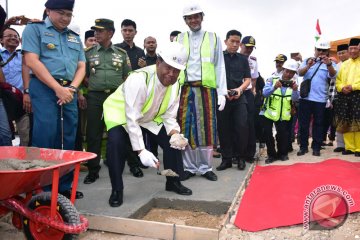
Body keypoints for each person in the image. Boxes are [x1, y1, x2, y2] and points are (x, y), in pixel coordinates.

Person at [103, 42, 192, 207]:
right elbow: (132, 118)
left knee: (172, 144)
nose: (171, 74)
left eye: (176, 70)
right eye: (168, 68)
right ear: (158, 63)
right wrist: (141, 150)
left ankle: (173, 181)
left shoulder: (177, 82)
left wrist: (174, 133)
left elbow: (170, 114)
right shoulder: (138, 79)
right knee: (116, 145)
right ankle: (117, 190)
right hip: (122, 114)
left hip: (149, 115)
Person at [22, 0, 85, 199]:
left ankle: (63, 186)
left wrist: (72, 88)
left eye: (69, 14)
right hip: (44, 88)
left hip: (69, 90)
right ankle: (42, 187)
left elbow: (81, 66)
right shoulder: (34, 29)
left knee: (68, 137)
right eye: (60, 13)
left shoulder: (74, 37)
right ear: (48, 11)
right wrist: (57, 88)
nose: (65, 18)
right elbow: (31, 61)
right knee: (46, 134)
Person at [176, 3, 227, 181]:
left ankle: (205, 168)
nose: (193, 20)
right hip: (185, 89)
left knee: (207, 129)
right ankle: (189, 167)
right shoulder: (179, 39)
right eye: (189, 17)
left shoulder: (213, 38)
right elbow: (174, 65)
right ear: (185, 21)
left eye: (196, 16)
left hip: (206, 91)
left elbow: (219, 65)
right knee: (186, 129)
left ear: (202, 17)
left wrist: (222, 92)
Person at [84, 19, 131, 184]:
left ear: (110, 33)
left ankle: (119, 165)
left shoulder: (121, 54)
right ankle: (93, 170)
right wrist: (92, 86)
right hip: (95, 97)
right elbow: (83, 75)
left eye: (100, 31)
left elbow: (127, 77)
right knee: (93, 134)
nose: (96, 34)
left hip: (115, 97)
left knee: (117, 134)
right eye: (95, 31)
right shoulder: (88, 53)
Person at [216, 30, 251, 171]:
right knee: (224, 129)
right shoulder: (218, 58)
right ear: (226, 41)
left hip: (239, 97)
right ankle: (226, 159)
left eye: (238, 42)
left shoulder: (243, 59)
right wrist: (223, 92)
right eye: (232, 41)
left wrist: (239, 90)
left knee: (241, 127)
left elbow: (248, 79)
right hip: (222, 97)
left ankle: (240, 158)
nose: (235, 44)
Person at [297, 39, 337, 157]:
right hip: (305, 98)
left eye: (324, 50)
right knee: (303, 124)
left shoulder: (331, 63)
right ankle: (303, 147)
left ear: (328, 51)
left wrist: (328, 64)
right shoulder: (307, 60)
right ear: (314, 50)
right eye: (319, 49)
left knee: (319, 124)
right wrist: (308, 65)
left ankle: (316, 147)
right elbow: (300, 73)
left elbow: (333, 75)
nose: (321, 52)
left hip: (320, 99)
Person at [262, 59, 300, 163]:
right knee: (268, 135)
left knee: (283, 135)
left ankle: (282, 154)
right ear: (283, 70)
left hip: (283, 115)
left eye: (292, 72)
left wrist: (295, 90)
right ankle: (271, 155)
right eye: (287, 71)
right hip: (269, 113)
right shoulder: (272, 79)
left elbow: (296, 99)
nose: (289, 74)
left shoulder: (294, 84)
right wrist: (274, 87)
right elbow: (265, 93)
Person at [1, 27, 31, 146]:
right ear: (1, 40)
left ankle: (24, 160)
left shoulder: (24, 57)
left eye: (16, 36)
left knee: (25, 134)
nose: (13, 38)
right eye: (9, 35)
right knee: (4, 134)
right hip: (2, 99)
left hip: (20, 99)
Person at [334, 38, 360, 157]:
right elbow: (338, 81)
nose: (353, 50)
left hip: (357, 95)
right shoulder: (344, 64)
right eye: (351, 48)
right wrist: (341, 87)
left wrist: (353, 87)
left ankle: (359, 148)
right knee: (346, 120)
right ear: (348, 50)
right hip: (344, 96)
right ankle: (349, 147)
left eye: (355, 48)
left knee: (358, 121)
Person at [240, 36, 258, 163]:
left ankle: (249, 154)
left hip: (248, 94)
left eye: (252, 48)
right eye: (247, 47)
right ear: (241, 45)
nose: (249, 50)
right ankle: (237, 154)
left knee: (250, 123)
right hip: (236, 92)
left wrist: (253, 90)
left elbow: (254, 78)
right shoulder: (233, 57)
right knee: (238, 124)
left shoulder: (253, 60)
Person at [333, 43, 349, 153]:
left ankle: (350, 145)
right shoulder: (336, 66)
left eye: (343, 53)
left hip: (353, 95)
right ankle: (340, 144)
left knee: (352, 120)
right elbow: (332, 83)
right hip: (338, 95)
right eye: (339, 53)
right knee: (339, 120)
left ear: (348, 52)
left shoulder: (355, 63)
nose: (341, 55)